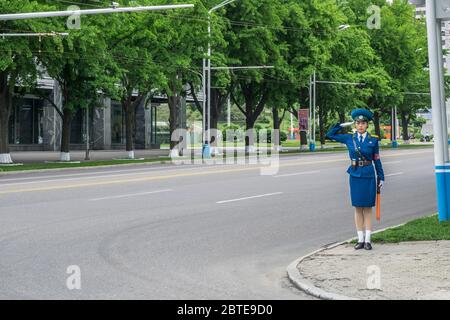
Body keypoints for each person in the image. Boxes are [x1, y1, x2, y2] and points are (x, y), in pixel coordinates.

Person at [326, 109, 385, 250]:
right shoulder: (349, 138)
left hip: (369, 175)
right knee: (358, 207)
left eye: (363, 123)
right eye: (357, 123)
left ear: (367, 125)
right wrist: (341, 125)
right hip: (355, 175)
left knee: (368, 208)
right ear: (354, 124)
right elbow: (330, 135)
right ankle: (360, 239)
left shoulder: (373, 140)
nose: (360, 126)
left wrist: (381, 177)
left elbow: (377, 159)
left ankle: (368, 240)